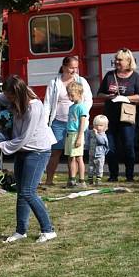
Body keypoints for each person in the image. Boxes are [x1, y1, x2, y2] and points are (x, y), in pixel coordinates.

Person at [0, 75, 57, 243]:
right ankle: (21, 231)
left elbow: (24, 138)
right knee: (21, 191)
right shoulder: (13, 96)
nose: (8, 100)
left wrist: (0, 147)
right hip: (23, 151)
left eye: (10, 97)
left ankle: (48, 230)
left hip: (38, 151)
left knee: (28, 192)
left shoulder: (34, 108)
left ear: (17, 94)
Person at [42, 55, 92, 185]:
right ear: (64, 67)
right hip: (58, 122)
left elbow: (88, 100)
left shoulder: (81, 81)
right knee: (55, 152)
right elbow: (47, 103)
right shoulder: (54, 83)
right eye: (71, 68)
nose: (74, 70)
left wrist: (81, 112)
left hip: (75, 124)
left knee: (74, 154)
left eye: (76, 68)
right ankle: (49, 180)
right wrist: (44, 122)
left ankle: (73, 180)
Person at [97, 48, 139, 182]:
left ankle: (130, 175)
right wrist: (109, 96)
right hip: (110, 117)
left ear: (128, 61)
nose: (116, 62)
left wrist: (126, 98)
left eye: (119, 59)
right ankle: (113, 175)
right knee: (110, 147)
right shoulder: (110, 75)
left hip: (126, 117)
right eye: (116, 59)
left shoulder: (135, 76)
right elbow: (99, 93)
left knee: (128, 145)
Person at [64, 81, 88, 187]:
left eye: (72, 95)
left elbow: (82, 123)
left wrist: (79, 137)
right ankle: (72, 179)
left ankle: (81, 180)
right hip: (70, 134)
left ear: (79, 93)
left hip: (76, 134)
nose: (70, 97)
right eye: (68, 95)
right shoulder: (71, 107)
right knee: (71, 157)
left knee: (78, 158)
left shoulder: (81, 107)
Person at [88, 115, 110, 185]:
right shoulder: (91, 132)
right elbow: (88, 139)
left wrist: (96, 134)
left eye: (101, 125)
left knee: (99, 168)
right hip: (92, 153)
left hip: (100, 155)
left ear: (105, 127)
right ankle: (90, 179)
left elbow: (101, 141)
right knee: (91, 167)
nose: (98, 127)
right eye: (96, 125)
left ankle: (98, 179)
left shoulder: (103, 135)